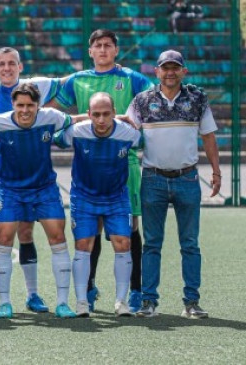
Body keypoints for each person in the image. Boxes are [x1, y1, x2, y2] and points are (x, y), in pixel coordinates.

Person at [52, 29, 153, 312]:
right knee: (90, 229)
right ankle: (89, 287)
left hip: (126, 160)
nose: (103, 49)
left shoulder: (131, 78)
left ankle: (134, 290)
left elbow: (153, 103)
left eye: (108, 45)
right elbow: (52, 109)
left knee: (131, 228)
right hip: (88, 158)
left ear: (116, 50)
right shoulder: (78, 79)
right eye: (98, 45)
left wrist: (129, 120)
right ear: (90, 51)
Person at [0, 46, 59, 313]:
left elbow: (67, 84)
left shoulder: (32, 90)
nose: (6, 68)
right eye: (1, 64)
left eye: (11, 63)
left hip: (26, 176)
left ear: (20, 66)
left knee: (26, 233)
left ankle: (32, 294)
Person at [127, 50, 220, 319]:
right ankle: (148, 302)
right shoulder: (141, 101)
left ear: (183, 71)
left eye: (175, 68)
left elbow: (209, 137)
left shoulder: (198, 98)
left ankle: (191, 302)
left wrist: (216, 173)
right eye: (165, 68)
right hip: (152, 178)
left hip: (188, 178)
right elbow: (125, 132)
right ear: (156, 71)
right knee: (152, 243)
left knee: (190, 243)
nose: (170, 72)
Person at [0, 83, 77, 319]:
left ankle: (62, 303)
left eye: (30, 105)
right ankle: (5, 303)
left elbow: (73, 121)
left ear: (38, 105)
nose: (25, 110)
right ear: (13, 105)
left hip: (44, 189)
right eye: (20, 105)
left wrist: (118, 119)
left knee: (58, 239)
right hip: (10, 190)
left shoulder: (51, 117)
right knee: (4, 240)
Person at [54, 92, 140, 317]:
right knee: (83, 245)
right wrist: (76, 119)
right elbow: (56, 138)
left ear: (114, 114)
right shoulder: (76, 131)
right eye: (96, 114)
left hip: (116, 197)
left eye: (106, 114)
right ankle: (82, 302)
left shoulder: (129, 134)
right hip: (84, 197)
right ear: (89, 114)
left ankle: (121, 302)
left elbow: (147, 142)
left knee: (123, 244)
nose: (101, 120)